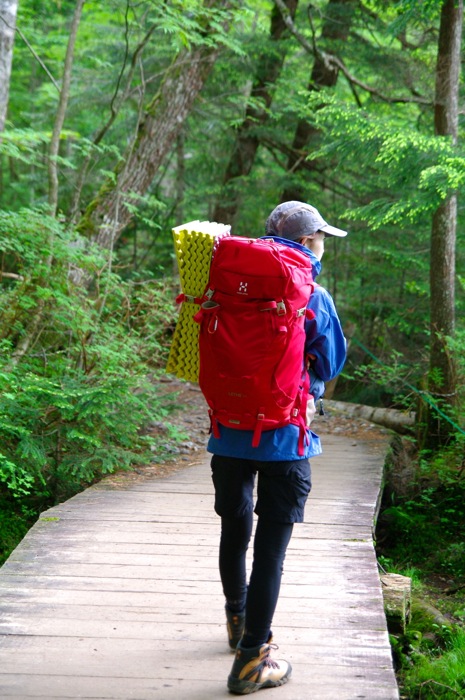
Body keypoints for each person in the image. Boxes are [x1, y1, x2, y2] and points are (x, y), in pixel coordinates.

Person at [207, 201, 348, 695]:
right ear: (308, 242)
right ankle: (251, 662)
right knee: (270, 552)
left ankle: (236, 620)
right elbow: (329, 365)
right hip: (285, 438)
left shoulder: (225, 284)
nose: (323, 245)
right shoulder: (314, 293)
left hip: (227, 432)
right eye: (322, 238)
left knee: (234, 527)